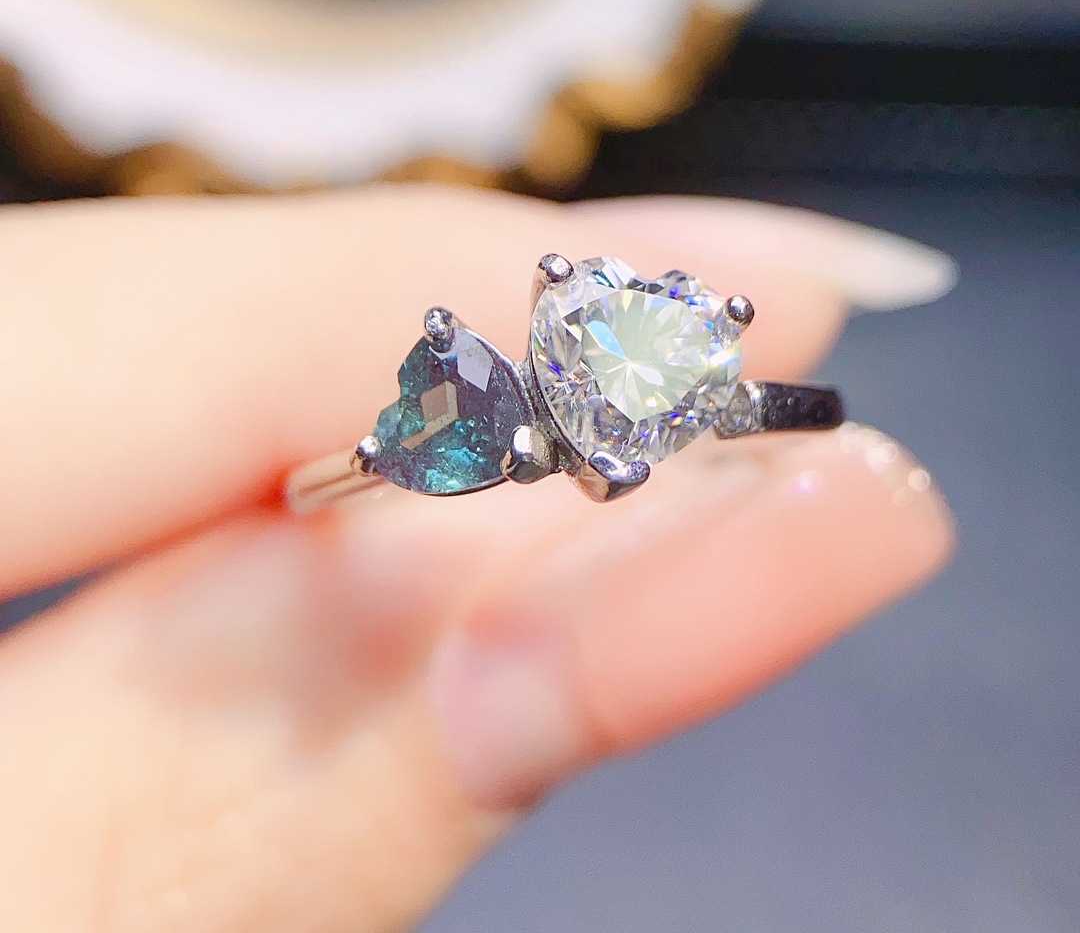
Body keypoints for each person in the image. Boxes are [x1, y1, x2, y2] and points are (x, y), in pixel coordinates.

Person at [0, 184, 955, 930]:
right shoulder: (527, 404)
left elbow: (713, 420)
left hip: (591, 423)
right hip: (402, 462)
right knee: (376, 460)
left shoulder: (665, 387)